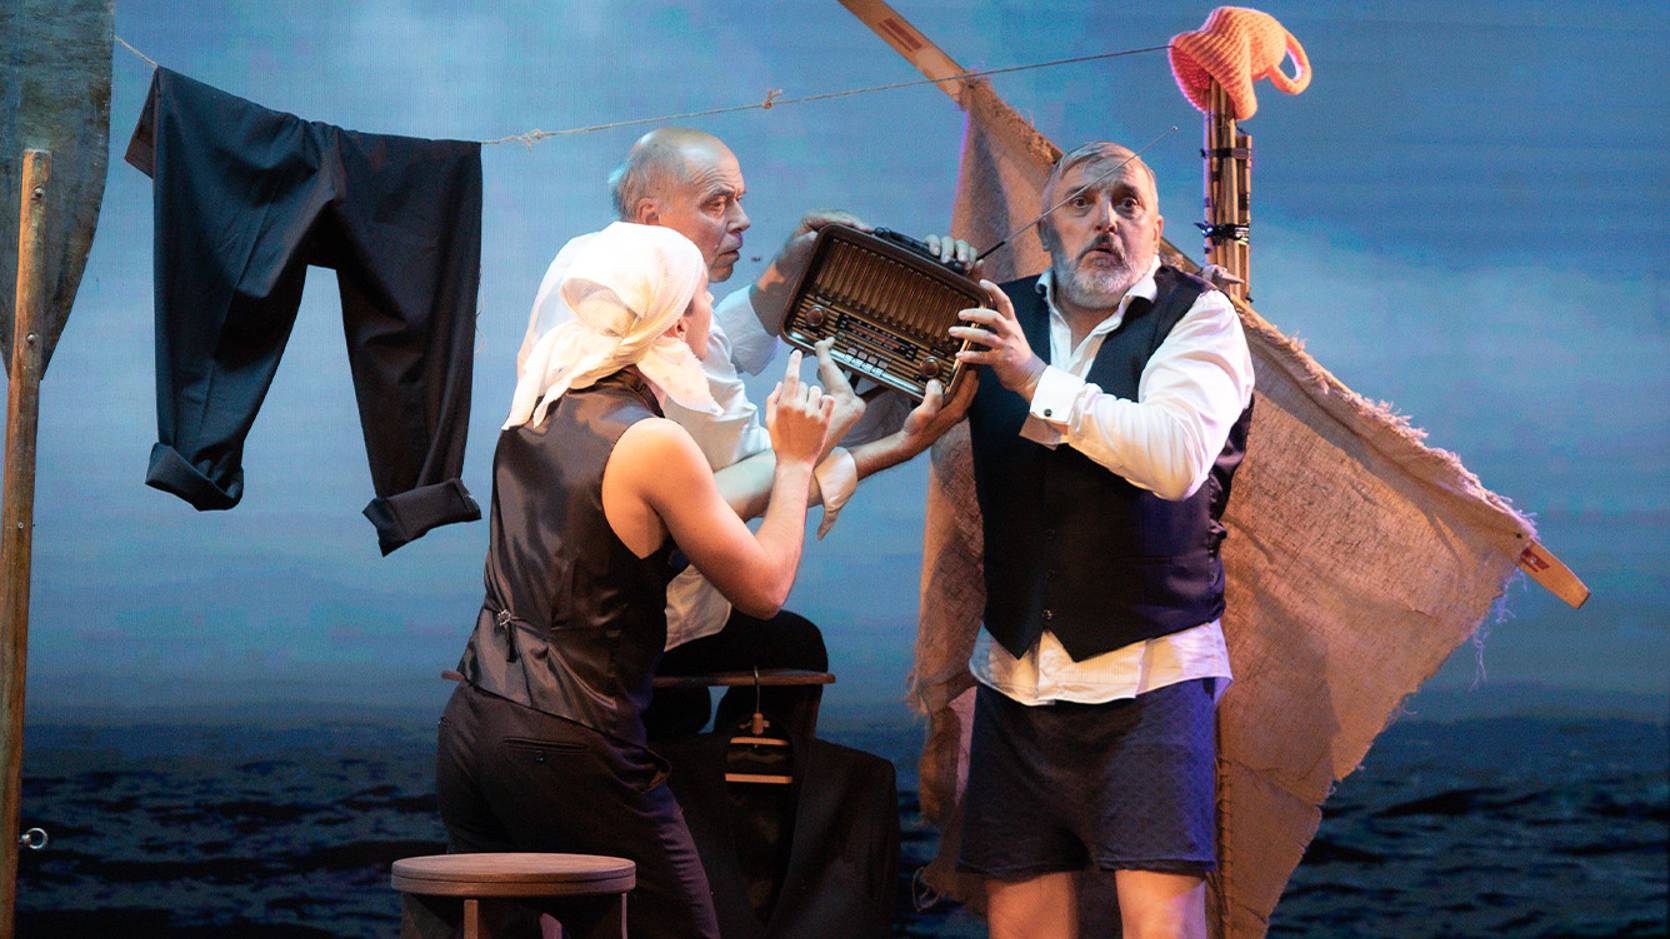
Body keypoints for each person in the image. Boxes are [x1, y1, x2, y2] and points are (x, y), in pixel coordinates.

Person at [435, 221, 838, 939]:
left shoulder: (535, 409)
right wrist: (796, 461)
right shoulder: (651, 440)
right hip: (567, 740)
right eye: (702, 296)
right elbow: (765, 590)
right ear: (673, 321)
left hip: (473, 724)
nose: (711, 310)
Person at [944, 141, 1255, 939]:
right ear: (1047, 229)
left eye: (1126, 203)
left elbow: (1174, 456)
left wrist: (1030, 377)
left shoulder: (1199, 318)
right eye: (1081, 202)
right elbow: (879, 393)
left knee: (1161, 929)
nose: (1105, 220)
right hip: (1016, 675)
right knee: (1023, 926)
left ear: (1156, 229)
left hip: (1150, 674)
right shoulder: (995, 315)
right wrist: (918, 282)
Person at [593, 126, 976, 740]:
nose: (742, 220)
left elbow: (728, 337)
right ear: (651, 218)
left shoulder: (645, 310)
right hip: (637, 636)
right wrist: (893, 444)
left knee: (792, 646)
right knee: (774, 656)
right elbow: (769, 481)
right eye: (717, 203)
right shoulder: (653, 358)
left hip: (658, 613)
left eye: (738, 200)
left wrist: (797, 263)